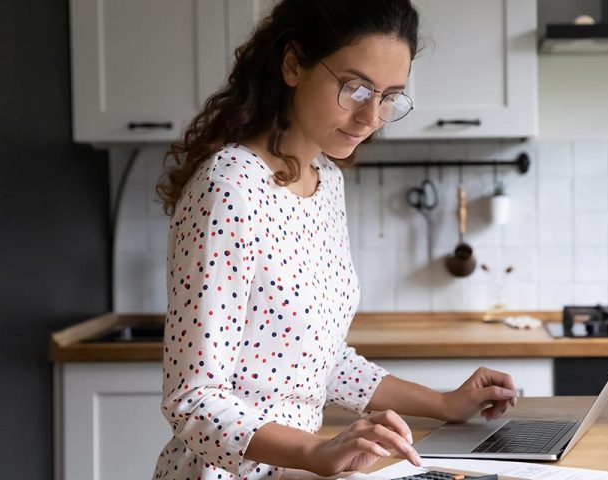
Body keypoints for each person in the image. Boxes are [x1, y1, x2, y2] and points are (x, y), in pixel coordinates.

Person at [152, 1, 518, 478]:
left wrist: (445, 404)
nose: (371, 116)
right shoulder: (230, 186)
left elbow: (318, 358)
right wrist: (314, 452)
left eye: (389, 96)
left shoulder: (325, 179)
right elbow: (192, 400)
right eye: (356, 87)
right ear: (292, 65)